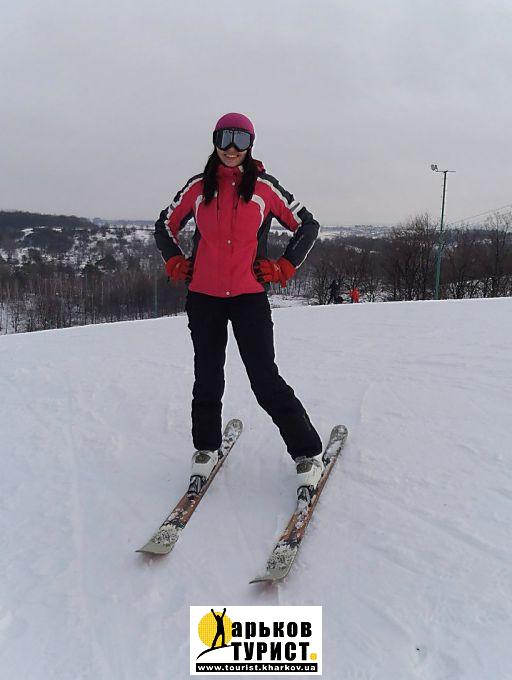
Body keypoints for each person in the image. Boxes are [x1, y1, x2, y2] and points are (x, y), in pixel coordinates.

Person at [154, 112, 324, 501]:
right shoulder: (199, 187)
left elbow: (307, 225)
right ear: (215, 141)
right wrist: (174, 259)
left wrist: (284, 266)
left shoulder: (264, 188)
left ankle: (307, 452)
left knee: (265, 380)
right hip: (204, 297)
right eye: (225, 138)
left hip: (249, 297)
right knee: (207, 377)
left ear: (251, 144)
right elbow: (164, 224)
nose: (232, 148)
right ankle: (206, 448)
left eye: (241, 140)